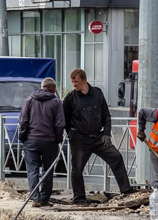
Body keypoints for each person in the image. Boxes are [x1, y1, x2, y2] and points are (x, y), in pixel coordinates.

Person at [63, 68, 134, 204]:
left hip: (98, 137)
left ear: (84, 80)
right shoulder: (70, 98)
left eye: (76, 81)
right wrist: (71, 134)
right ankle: (79, 198)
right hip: (79, 139)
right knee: (77, 169)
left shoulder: (97, 93)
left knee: (116, 157)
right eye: (72, 82)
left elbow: (106, 116)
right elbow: (64, 119)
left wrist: (106, 134)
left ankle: (126, 190)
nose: (74, 84)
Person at [18, 77, 66, 207]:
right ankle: (44, 199)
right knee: (47, 170)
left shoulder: (30, 99)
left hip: (31, 140)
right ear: (54, 89)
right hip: (49, 142)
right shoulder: (56, 102)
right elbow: (59, 124)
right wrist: (57, 139)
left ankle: (35, 198)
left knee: (32, 170)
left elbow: (23, 121)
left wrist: (22, 137)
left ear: (42, 87)